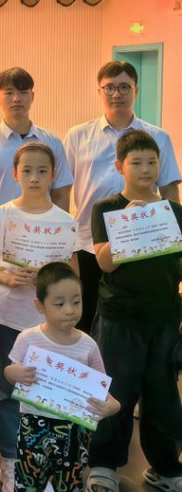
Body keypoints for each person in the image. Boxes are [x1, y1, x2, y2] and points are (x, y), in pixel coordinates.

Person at [0, 67, 73, 414]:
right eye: (8, 92)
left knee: (41, 315)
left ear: (32, 96)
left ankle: (40, 389)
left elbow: (62, 194)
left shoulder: (52, 142)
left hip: (43, 248)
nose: (16, 98)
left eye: (23, 92)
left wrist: (58, 241)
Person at [0, 143, 78, 492]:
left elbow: (73, 275)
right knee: (7, 389)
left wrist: (57, 289)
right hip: (6, 316)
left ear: (53, 175)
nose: (34, 178)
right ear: (14, 174)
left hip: (48, 324)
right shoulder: (0, 214)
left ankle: (41, 461)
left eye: (42, 171)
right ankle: (10, 461)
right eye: (27, 170)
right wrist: (5, 277)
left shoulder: (65, 222)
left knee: (45, 392)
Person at [85, 130, 182, 492]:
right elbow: (105, 263)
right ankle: (104, 465)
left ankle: (166, 467)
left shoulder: (174, 211)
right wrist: (128, 224)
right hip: (119, 316)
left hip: (164, 317)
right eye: (136, 162)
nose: (145, 169)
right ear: (119, 166)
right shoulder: (107, 208)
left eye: (152, 162)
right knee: (115, 392)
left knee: (163, 396)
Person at [64, 60, 181, 334]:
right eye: (109, 87)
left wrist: (172, 243)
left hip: (145, 242)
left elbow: (169, 191)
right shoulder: (77, 136)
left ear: (135, 90)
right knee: (85, 321)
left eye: (124, 87)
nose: (116, 94)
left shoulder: (158, 137)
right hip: (88, 243)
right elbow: (61, 189)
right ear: (99, 91)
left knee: (132, 321)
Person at [4, 263, 120, 492]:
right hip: (33, 426)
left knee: (69, 483)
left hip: (74, 430)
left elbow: (103, 388)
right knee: (28, 482)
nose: (70, 310)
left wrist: (111, 407)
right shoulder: (28, 339)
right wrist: (15, 373)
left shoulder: (88, 345)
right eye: (59, 304)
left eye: (76, 302)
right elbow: (8, 371)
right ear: (39, 305)